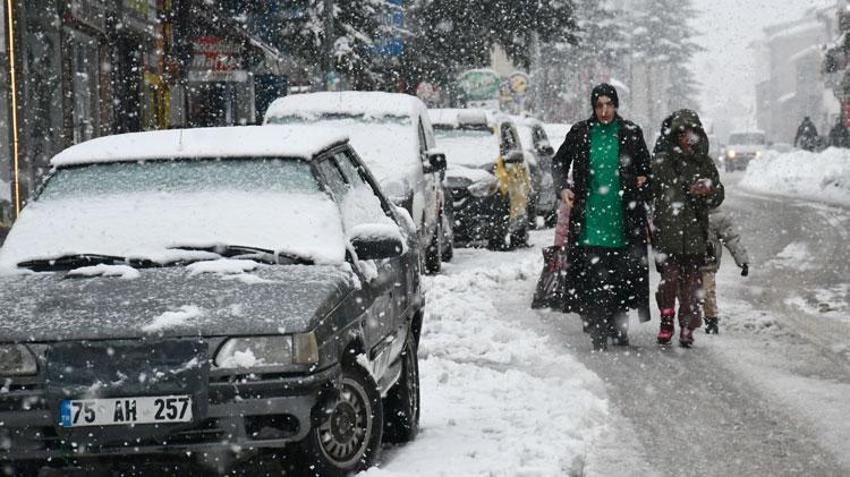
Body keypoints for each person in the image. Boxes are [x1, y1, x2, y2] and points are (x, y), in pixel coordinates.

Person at [551, 83, 651, 351]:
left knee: (621, 277)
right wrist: (563, 188)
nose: (604, 111)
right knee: (594, 277)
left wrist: (643, 179)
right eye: (599, 106)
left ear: (616, 105)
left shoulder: (630, 133)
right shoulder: (581, 132)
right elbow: (559, 162)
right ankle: (597, 328)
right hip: (590, 219)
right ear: (593, 108)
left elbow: (646, 169)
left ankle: (618, 328)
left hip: (623, 219)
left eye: (608, 105)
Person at [649, 109, 724, 347]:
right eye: (681, 134)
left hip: (694, 235)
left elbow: (718, 195)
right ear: (675, 136)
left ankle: (687, 327)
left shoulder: (704, 164)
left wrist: (709, 190)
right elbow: (649, 191)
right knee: (669, 280)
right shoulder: (662, 163)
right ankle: (666, 320)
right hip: (667, 233)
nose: (687, 139)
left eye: (691, 134)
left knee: (692, 284)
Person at [701, 206, 750, 334]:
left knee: (707, 292)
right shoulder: (687, 210)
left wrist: (742, 260)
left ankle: (711, 320)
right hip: (688, 259)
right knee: (686, 292)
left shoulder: (718, 217)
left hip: (707, 261)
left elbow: (731, 239)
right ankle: (687, 322)